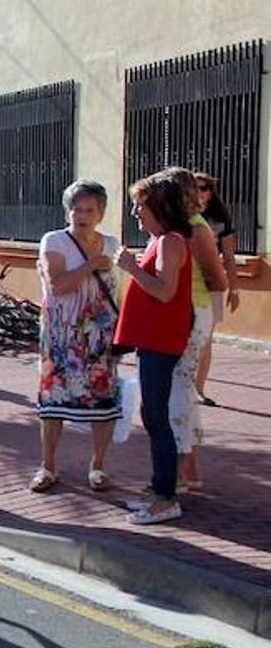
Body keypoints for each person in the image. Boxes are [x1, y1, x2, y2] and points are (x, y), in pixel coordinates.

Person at [114, 173, 194, 524]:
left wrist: (131, 268)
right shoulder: (159, 240)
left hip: (162, 340)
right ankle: (160, 486)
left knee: (156, 416)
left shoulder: (170, 242)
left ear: (160, 207)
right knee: (153, 414)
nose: (135, 212)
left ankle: (166, 497)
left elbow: (165, 291)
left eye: (141, 205)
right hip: (153, 339)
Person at [33, 180, 120, 494]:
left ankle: (98, 466)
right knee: (54, 402)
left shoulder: (112, 243)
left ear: (101, 213)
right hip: (61, 338)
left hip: (100, 339)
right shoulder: (54, 240)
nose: (81, 215)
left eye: (89, 210)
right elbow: (57, 285)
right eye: (76, 209)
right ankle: (47, 465)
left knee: (103, 400)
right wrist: (91, 266)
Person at [162, 167, 227, 491]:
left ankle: (180, 471)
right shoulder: (174, 227)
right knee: (181, 387)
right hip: (178, 312)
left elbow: (219, 278)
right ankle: (188, 469)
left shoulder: (197, 228)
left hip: (192, 311)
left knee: (178, 388)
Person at [193, 172, 240, 407]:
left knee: (205, 339)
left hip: (211, 284)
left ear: (211, 193)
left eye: (204, 188)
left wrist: (234, 288)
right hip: (184, 285)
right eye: (195, 187)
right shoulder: (179, 217)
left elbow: (229, 257)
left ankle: (199, 389)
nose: (199, 192)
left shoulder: (220, 220)